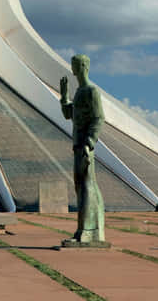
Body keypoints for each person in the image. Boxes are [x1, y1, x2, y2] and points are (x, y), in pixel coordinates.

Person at [59, 54, 106, 245]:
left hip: (85, 147)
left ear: (85, 66)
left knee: (87, 186)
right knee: (80, 187)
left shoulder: (91, 91)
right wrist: (64, 96)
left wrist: (89, 142)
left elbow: (98, 119)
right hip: (77, 146)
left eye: (76, 65)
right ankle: (83, 230)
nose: (73, 68)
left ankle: (89, 231)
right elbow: (68, 114)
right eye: (72, 65)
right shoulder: (79, 92)